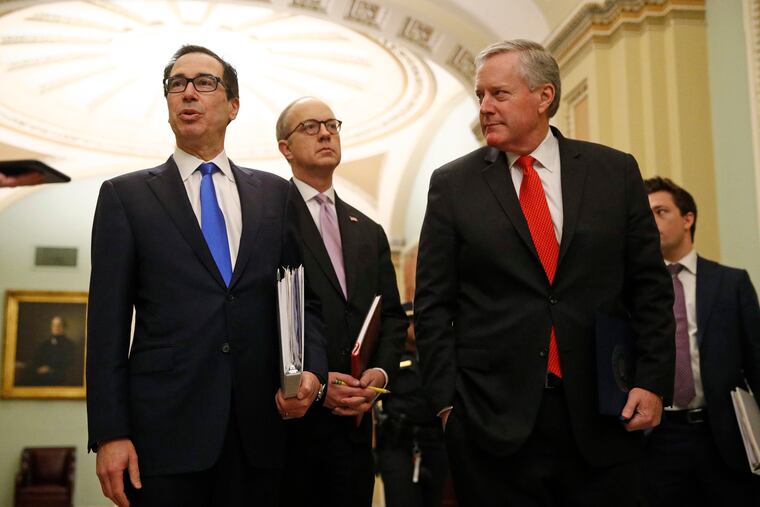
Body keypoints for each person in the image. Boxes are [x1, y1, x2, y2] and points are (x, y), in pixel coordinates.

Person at [414, 39, 675, 506]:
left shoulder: (613, 172)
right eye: (480, 96)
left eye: (499, 94)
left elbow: (650, 290)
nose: (485, 108)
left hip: (603, 415)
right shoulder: (453, 185)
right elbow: (434, 305)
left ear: (544, 97)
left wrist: (652, 381)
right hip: (492, 423)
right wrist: (447, 406)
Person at [86, 45, 327, 507]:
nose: (188, 93)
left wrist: (311, 371)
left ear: (233, 106)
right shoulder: (126, 196)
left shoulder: (276, 195)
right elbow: (106, 327)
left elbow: (302, 303)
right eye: (177, 84)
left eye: (204, 83)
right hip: (165, 437)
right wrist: (110, 433)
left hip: (261, 433)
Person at [275, 96, 407, 507]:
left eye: (331, 125)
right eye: (310, 127)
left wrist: (380, 376)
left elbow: (392, 316)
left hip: (354, 429)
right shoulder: (267, 217)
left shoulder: (369, 230)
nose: (326, 133)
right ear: (285, 147)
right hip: (289, 430)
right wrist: (314, 383)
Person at [643, 176, 760, 505]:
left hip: (722, 437)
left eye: (661, 211)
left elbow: (756, 360)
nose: (651, 222)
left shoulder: (730, 283)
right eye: (645, 214)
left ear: (687, 218)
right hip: (658, 438)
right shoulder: (634, 289)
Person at [376, 303, 449, 507]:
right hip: (399, 443)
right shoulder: (390, 358)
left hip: (434, 441)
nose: (415, 327)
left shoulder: (436, 356)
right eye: (410, 322)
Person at [24, 315, 80, 386]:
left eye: (59, 325)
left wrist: (51, 369)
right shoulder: (44, 344)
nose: (56, 328)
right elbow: (36, 359)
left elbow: (70, 365)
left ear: (64, 327)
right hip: (41, 375)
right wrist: (38, 369)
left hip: (60, 377)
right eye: (54, 325)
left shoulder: (70, 345)